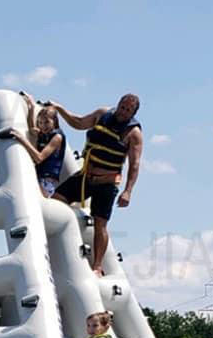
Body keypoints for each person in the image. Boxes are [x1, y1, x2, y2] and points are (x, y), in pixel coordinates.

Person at [48, 94, 143, 276]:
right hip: (85, 176)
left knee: (100, 224)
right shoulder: (102, 114)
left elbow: (135, 164)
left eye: (128, 110)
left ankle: (98, 266)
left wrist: (128, 191)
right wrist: (60, 109)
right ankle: (60, 245)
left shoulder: (134, 133)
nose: (123, 111)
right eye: (122, 106)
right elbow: (78, 122)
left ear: (133, 113)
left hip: (106, 183)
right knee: (56, 200)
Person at [9, 91, 65, 197]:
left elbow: (39, 158)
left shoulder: (57, 137)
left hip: (47, 182)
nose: (43, 126)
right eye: (40, 123)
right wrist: (31, 107)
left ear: (54, 121)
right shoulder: (43, 133)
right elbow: (32, 129)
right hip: (39, 177)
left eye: (47, 122)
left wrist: (21, 139)